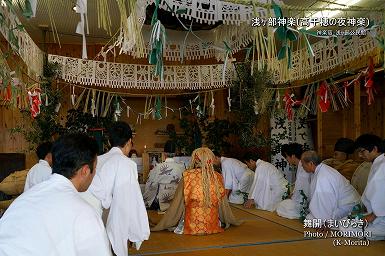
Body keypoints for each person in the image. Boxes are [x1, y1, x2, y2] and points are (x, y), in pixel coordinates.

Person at [0, 134, 111, 256]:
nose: (95, 174)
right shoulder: (85, 213)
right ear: (85, 171)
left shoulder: (23, 200)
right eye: (94, 169)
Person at [87, 121, 150, 256]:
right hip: (107, 216)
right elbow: (127, 201)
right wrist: (133, 231)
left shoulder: (97, 159)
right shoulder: (126, 164)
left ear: (109, 142)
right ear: (129, 142)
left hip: (87, 215)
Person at [151, 147, 241, 234]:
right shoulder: (217, 176)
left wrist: (168, 220)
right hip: (213, 223)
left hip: (191, 224)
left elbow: (177, 204)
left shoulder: (187, 176)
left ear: (196, 160)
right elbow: (223, 204)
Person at [339, 134, 385, 240]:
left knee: (346, 228)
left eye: (362, 151)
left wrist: (371, 217)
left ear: (374, 149)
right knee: (344, 222)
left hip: (380, 219)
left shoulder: (382, 166)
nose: (360, 155)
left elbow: (382, 198)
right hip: (375, 215)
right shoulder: (378, 163)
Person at [301, 151, 360, 222]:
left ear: (311, 163)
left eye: (303, 164)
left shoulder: (323, 176)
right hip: (339, 203)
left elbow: (326, 200)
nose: (302, 166)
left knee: (313, 220)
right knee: (310, 218)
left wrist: (325, 221)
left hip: (348, 205)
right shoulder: (320, 170)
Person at [143, 140, 185, 212]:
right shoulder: (181, 167)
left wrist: (146, 200)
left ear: (164, 153)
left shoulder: (157, 168)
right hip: (177, 204)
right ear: (175, 153)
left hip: (160, 204)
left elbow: (151, 186)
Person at [276, 143, 312, 219]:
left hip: (305, 201)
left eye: (287, 157)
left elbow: (303, 188)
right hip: (304, 199)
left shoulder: (303, 167)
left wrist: (293, 197)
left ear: (292, 156)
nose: (287, 160)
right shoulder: (300, 165)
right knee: (283, 204)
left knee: (281, 206)